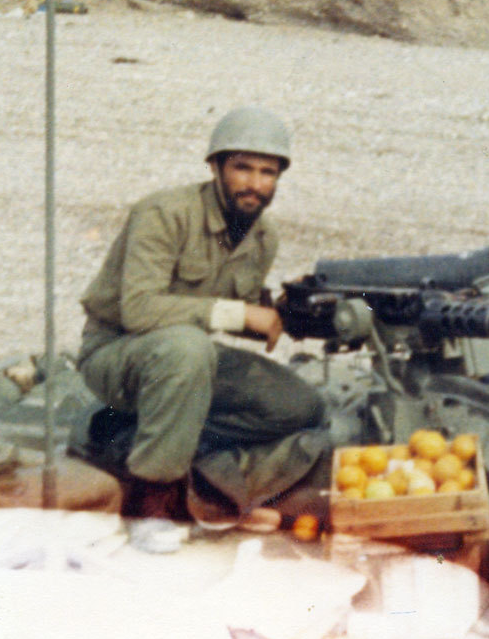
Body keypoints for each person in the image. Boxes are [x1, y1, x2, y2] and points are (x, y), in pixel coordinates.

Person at [75, 107, 326, 523]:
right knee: (187, 348)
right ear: (215, 166)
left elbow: (246, 312)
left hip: (185, 362)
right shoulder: (164, 214)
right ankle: (153, 500)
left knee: (299, 406)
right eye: (242, 168)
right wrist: (242, 314)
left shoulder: (263, 236)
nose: (255, 184)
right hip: (116, 353)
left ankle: (129, 436)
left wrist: (292, 310)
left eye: (267, 172)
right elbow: (139, 310)